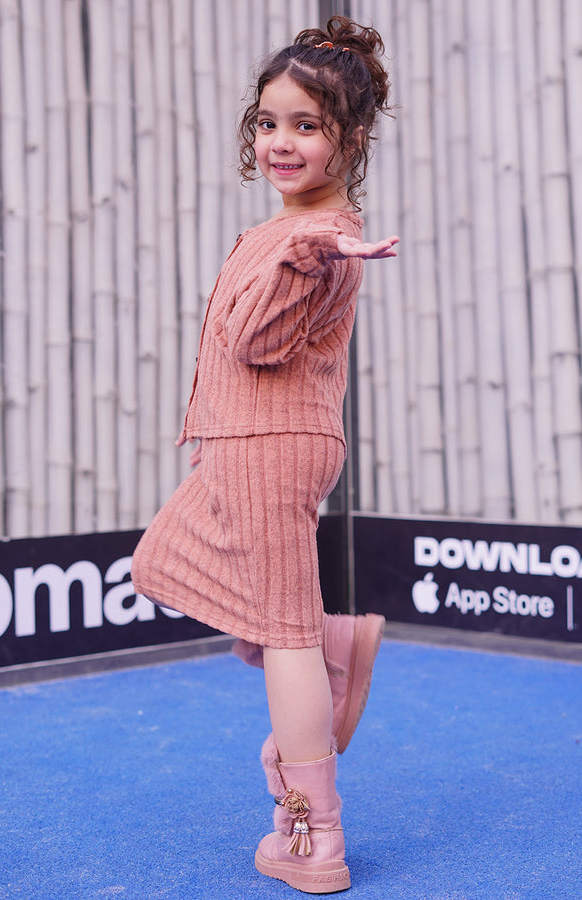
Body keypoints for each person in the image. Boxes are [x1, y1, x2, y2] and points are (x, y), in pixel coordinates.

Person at [132, 15, 398, 894]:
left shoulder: (316, 240)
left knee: (277, 631)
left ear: (348, 139)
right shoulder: (286, 229)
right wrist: (297, 247)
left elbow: (253, 343)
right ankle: (332, 646)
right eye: (269, 121)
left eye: (307, 126)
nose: (281, 142)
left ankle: (315, 834)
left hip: (271, 445)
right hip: (253, 442)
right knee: (163, 560)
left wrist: (305, 259)